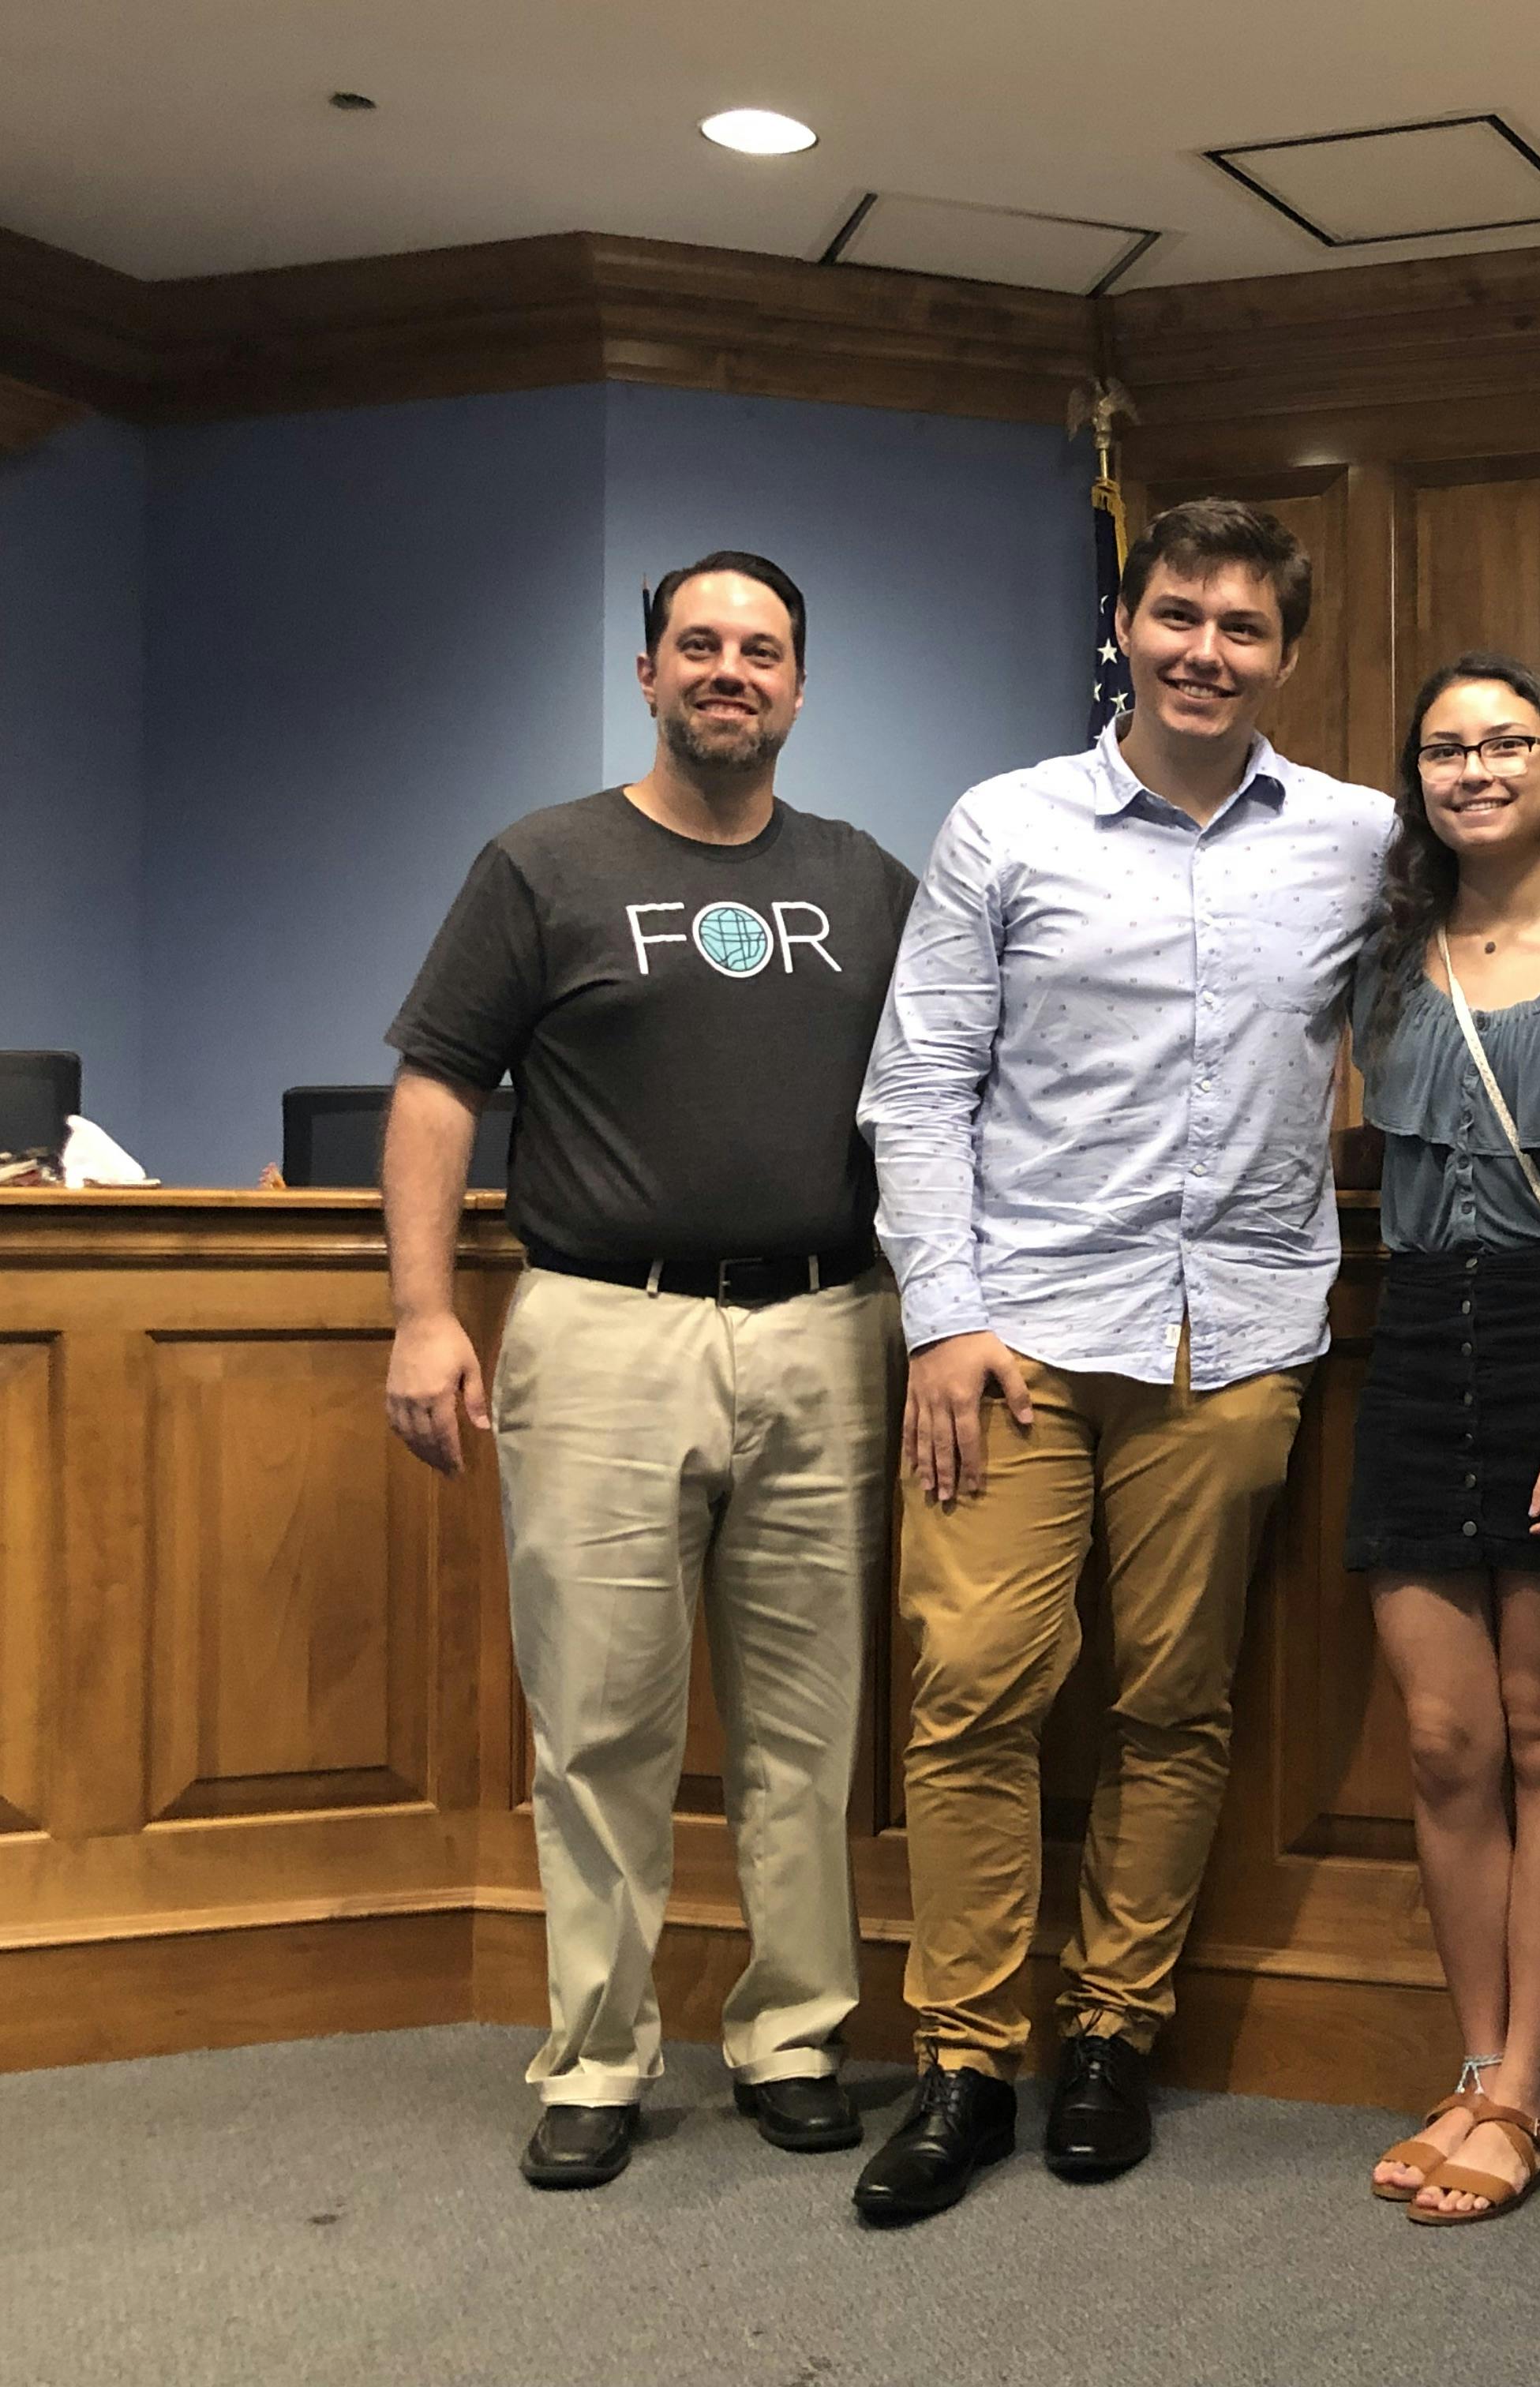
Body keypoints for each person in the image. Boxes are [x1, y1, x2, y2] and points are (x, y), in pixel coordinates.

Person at [849, 498, 1393, 2224]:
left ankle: (1110, 2038)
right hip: (1010, 1341)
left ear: (1287, 656)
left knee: (1175, 1702)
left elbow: (1475, 998)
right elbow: (917, 1088)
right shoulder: (1004, 826)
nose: (1205, 654)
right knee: (971, 1690)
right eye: (1178, 616)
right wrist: (943, 1314)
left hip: (1232, 1340)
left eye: (1243, 629)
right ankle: (960, 2063)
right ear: (1128, 626)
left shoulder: (1362, 840)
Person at [381, 551, 914, 2190]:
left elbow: (948, 1095)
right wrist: (419, 1310)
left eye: (762, 650)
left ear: (801, 688)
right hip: (603, 1325)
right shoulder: (543, 863)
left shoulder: (870, 879)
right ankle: (599, 2054)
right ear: (648, 673)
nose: (730, 671)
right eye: (700, 645)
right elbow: (434, 1090)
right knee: (601, 1713)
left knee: (807, 1722)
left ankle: (793, 2032)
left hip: (830, 1326)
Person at [1346, 653, 1540, 2226]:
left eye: (1505, 743)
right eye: (1445, 747)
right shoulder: (1383, 966)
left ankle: (1530, 2084)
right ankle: (1472, 2068)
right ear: (1419, 781)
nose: (1474, 768)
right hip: (1411, 1347)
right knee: (1446, 1743)